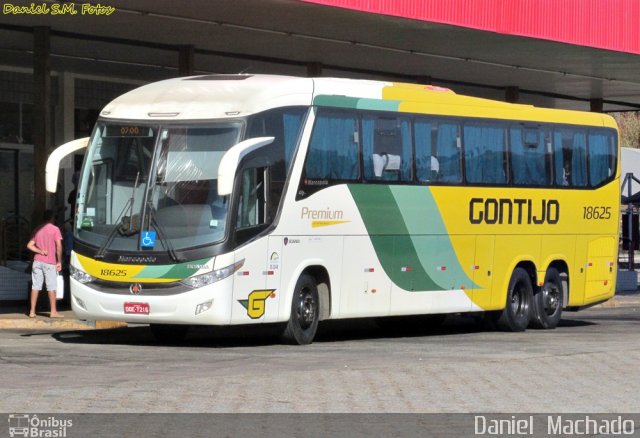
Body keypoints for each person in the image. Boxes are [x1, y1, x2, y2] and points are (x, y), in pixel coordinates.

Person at [26, 210, 64, 318]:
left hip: (37, 261)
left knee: (35, 286)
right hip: (50, 262)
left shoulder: (37, 229)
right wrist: (59, 261)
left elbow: (29, 245)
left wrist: (39, 251)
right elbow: (59, 247)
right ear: (52, 218)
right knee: (51, 287)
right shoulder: (55, 229)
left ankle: (32, 311)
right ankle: (53, 312)